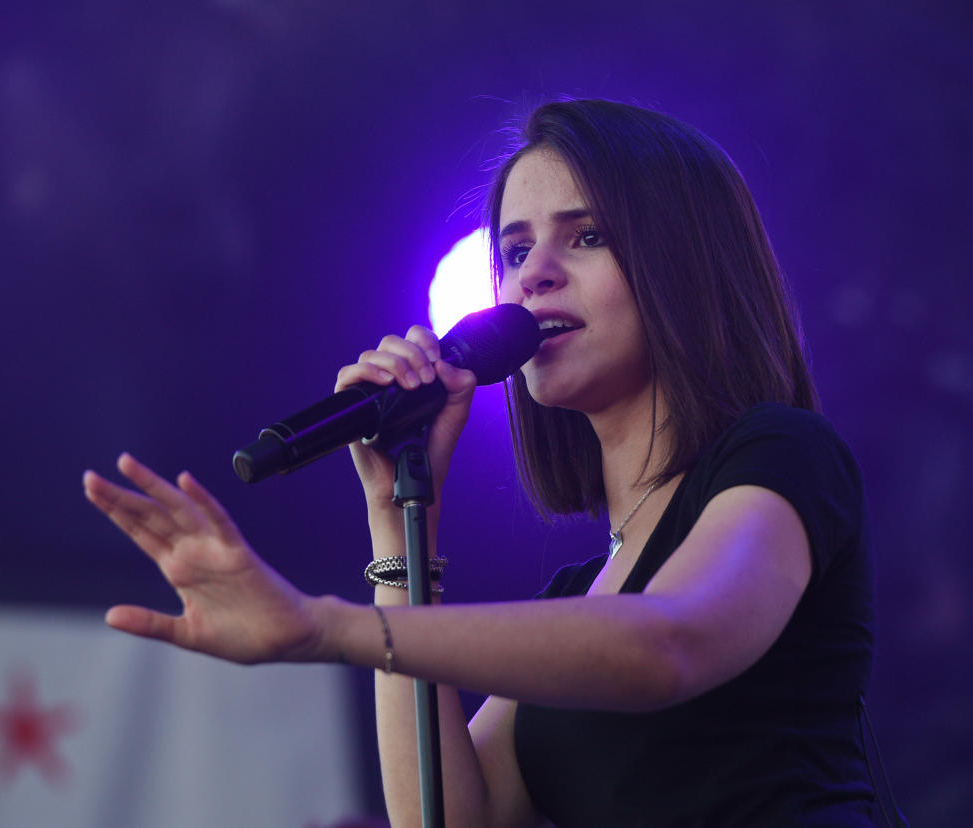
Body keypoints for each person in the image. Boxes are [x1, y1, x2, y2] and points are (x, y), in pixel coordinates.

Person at [83, 99, 878, 826]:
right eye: (516, 248)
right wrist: (398, 528)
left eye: (588, 236)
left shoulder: (784, 454)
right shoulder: (580, 597)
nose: (532, 274)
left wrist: (328, 628)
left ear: (687, 265)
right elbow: (447, 820)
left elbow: (667, 645)